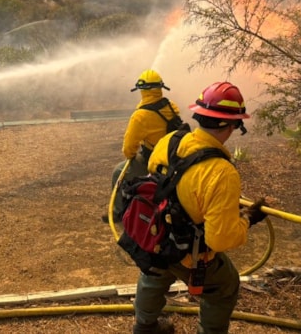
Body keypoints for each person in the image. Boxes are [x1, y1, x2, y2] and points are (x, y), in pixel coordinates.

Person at [131, 81, 268, 334]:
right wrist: (248, 218)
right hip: (187, 251)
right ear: (233, 124)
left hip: (156, 235)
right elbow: (220, 239)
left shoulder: (169, 141)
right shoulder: (221, 173)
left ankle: (144, 327)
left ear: (199, 115)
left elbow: (159, 181)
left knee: (153, 274)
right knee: (225, 285)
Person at [105, 69, 182, 223]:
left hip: (153, 161)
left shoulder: (140, 116)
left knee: (118, 172)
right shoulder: (171, 106)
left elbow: (128, 149)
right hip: (174, 157)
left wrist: (133, 155)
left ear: (142, 91)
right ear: (160, 88)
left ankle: (118, 212)